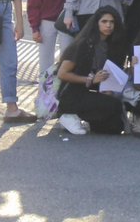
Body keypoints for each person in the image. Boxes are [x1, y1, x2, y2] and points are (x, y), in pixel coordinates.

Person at [26, 0, 78, 116]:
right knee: (46, 64)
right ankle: (45, 105)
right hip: (46, 22)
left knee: (66, 62)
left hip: (67, 22)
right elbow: (34, 0)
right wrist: (34, 26)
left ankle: (63, 103)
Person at [54, 7, 130, 135]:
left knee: (115, 128)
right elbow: (62, 74)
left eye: (112, 22)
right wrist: (91, 79)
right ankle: (67, 114)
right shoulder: (84, 43)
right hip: (72, 94)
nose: (109, 25)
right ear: (96, 23)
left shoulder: (111, 45)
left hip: (92, 92)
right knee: (114, 105)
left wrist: (107, 88)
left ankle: (86, 117)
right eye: (104, 21)